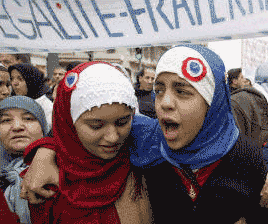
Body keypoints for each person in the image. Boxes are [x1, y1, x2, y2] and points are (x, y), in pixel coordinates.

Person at [21, 45, 267, 223]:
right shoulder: (147, 139)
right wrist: (45, 152)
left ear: (213, 103)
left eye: (182, 91)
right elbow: (73, 130)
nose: (165, 103)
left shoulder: (248, 156)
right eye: (159, 90)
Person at [21, 62, 152, 224]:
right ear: (68, 123)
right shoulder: (42, 185)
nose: (113, 137)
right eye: (96, 126)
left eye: (122, 122)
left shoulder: (145, 157)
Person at [0, 96, 49, 224]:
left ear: (43, 126)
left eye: (28, 118)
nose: (17, 127)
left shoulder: (59, 171)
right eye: (5, 120)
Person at [227, 68, 268, 150]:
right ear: (234, 81)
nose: (244, 80)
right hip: (253, 147)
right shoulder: (235, 99)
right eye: (241, 77)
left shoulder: (231, 98)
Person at [8, 63, 53, 132]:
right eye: (12, 79)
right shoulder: (12, 102)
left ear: (31, 80)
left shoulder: (45, 104)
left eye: (20, 79)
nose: (14, 83)